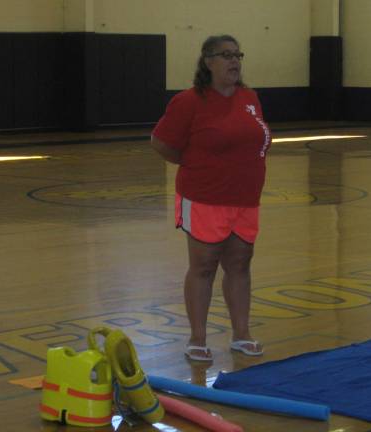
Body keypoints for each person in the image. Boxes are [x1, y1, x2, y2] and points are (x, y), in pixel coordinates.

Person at [150, 35, 271, 361]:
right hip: (204, 198)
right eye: (226, 55)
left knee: (240, 264)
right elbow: (161, 142)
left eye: (238, 55)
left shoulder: (250, 98)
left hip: (245, 199)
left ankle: (241, 334)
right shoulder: (189, 101)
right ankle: (198, 339)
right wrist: (192, 164)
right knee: (203, 266)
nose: (234, 61)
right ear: (208, 62)